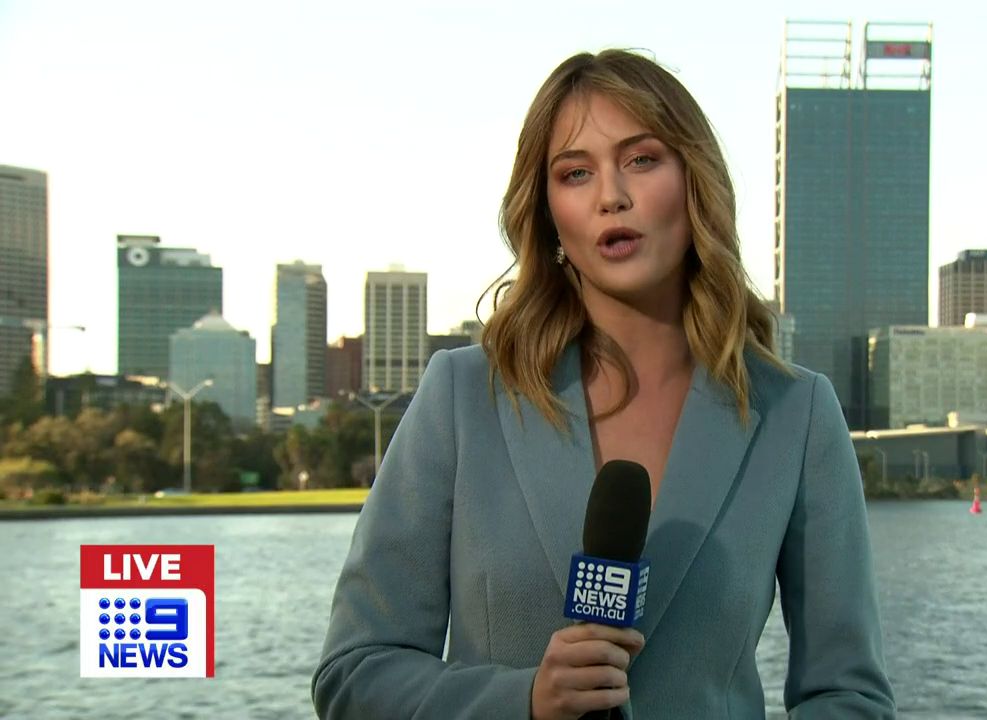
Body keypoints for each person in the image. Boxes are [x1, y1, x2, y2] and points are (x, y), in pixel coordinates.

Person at [311, 49, 895, 719]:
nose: (610, 194)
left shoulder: (797, 413)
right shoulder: (462, 398)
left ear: (694, 181)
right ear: (549, 212)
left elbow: (850, 696)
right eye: (576, 172)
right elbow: (353, 675)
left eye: (641, 159)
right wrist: (524, 700)